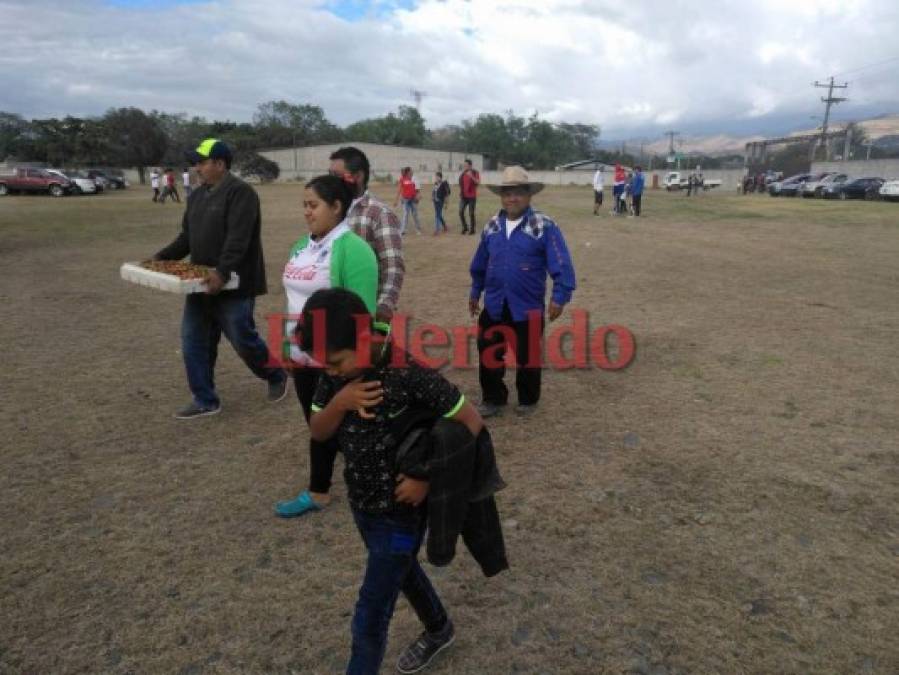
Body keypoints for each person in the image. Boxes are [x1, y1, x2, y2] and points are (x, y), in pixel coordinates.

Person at [300, 287, 486, 675]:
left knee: (371, 612)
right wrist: (340, 401)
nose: (330, 371)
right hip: (362, 506)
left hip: (402, 514)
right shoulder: (335, 380)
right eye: (324, 365)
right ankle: (439, 628)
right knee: (400, 571)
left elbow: (471, 423)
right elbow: (319, 432)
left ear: (366, 339)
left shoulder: (409, 374)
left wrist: (426, 478)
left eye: (335, 362)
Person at [274, 146, 405, 517]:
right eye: (304, 205)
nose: (306, 212)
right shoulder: (301, 246)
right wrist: (288, 343)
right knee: (317, 425)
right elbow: (293, 303)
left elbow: (357, 315)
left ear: (335, 207)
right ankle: (321, 490)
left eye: (313, 205)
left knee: (349, 426)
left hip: (333, 359)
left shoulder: (354, 249)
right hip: (303, 355)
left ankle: (380, 477)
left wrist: (352, 362)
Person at [153, 138, 288, 419]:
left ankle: (275, 374)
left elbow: (238, 240)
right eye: (197, 163)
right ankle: (205, 399)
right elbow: (187, 237)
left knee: (243, 339)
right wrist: (161, 258)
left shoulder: (242, 193)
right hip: (200, 283)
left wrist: (222, 272)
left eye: (202, 162)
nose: (197, 168)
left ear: (220, 164)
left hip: (234, 284)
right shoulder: (197, 196)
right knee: (194, 341)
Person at [468, 166, 576, 418]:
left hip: (526, 305)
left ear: (528, 195)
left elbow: (561, 264)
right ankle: (493, 398)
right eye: (507, 193)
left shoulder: (544, 225)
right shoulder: (491, 226)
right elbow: (480, 263)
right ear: (501, 197)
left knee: (528, 355)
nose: (512, 198)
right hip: (494, 303)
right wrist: (475, 291)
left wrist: (559, 297)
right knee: (489, 352)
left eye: (518, 193)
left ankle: (528, 399)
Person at [394, 167, 422, 235]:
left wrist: (418, 196)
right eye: (411, 171)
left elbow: (417, 189)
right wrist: (396, 200)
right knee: (405, 215)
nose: (412, 172)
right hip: (405, 199)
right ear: (408, 172)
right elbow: (399, 190)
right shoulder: (402, 179)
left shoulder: (414, 178)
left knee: (415, 214)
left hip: (413, 199)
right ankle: (403, 230)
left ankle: (418, 229)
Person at [458, 159, 480, 235]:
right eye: (464, 165)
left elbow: (478, 182)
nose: (464, 166)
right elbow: (462, 184)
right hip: (464, 196)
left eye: (466, 165)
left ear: (470, 165)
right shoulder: (463, 174)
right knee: (460, 212)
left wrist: (471, 176)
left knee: (471, 213)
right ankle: (465, 227)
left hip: (472, 197)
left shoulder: (475, 172)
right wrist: (461, 192)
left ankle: (472, 229)